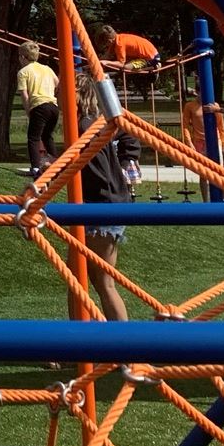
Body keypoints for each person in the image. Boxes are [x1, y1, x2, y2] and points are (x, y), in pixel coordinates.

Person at [77, 101, 141, 325]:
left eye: (61, 91)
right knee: (88, 279)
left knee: (98, 281)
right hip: (108, 202)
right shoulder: (95, 122)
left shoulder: (85, 126)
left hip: (102, 205)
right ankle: (105, 337)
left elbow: (95, 171)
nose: (57, 96)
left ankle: (120, 340)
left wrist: (56, 172)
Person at [18, 42, 61, 173]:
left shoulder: (23, 72)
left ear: (23, 57)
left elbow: (24, 95)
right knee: (47, 136)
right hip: (53, 106)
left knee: (33, 137)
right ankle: (57, 164)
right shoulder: (47, 69)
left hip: (39, 106)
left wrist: (29, 111)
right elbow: (57, 84)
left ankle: (35, 167)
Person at [94, 27, 161, 71]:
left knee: (126, 68)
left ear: (109, 41)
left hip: (151, 59)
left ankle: (153, 67)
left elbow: (121, 64)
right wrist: (95, 62)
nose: (106, 46)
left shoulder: (120, 44)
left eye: (105, 44)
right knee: (121, 61)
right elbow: (107, 55)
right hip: (149, 54)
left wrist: (106, 62)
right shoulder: (118, 38)